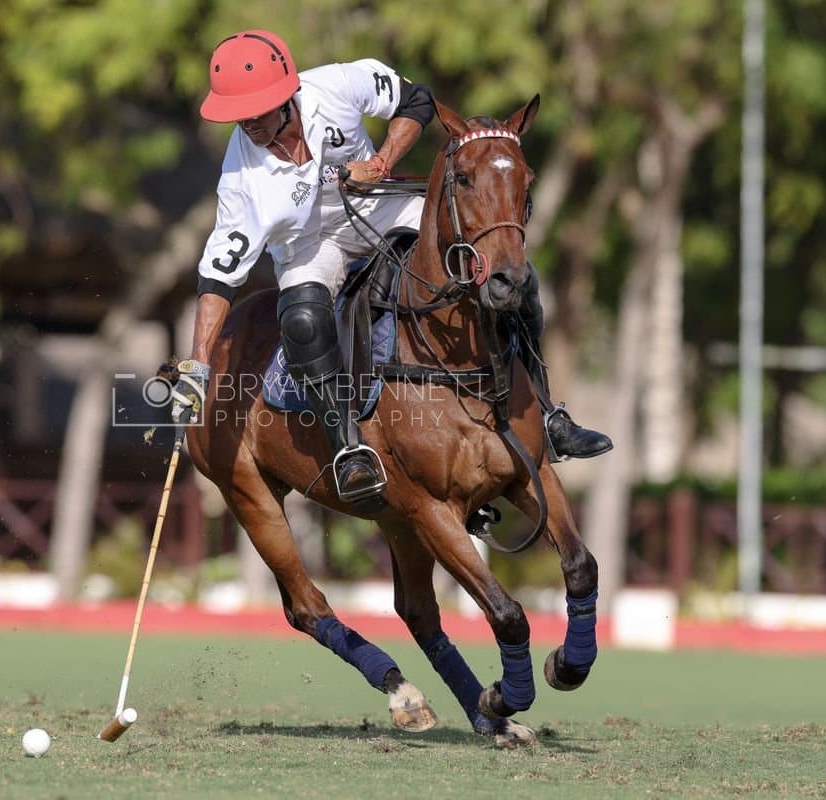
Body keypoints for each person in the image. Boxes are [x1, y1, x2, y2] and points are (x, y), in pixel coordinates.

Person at [173, 29, 610, 509]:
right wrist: (197, 365)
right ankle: (348, 450)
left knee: (505, 273)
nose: (247, 124)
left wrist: (381, 161)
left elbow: (417, 102)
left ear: (285, 95)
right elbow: (218, 277)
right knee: (301, 320)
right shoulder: (240, 180)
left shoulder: (339, 85)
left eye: (256, 110)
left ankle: (549, 416)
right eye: (239, 115)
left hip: (378, 205)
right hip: (308, 245)